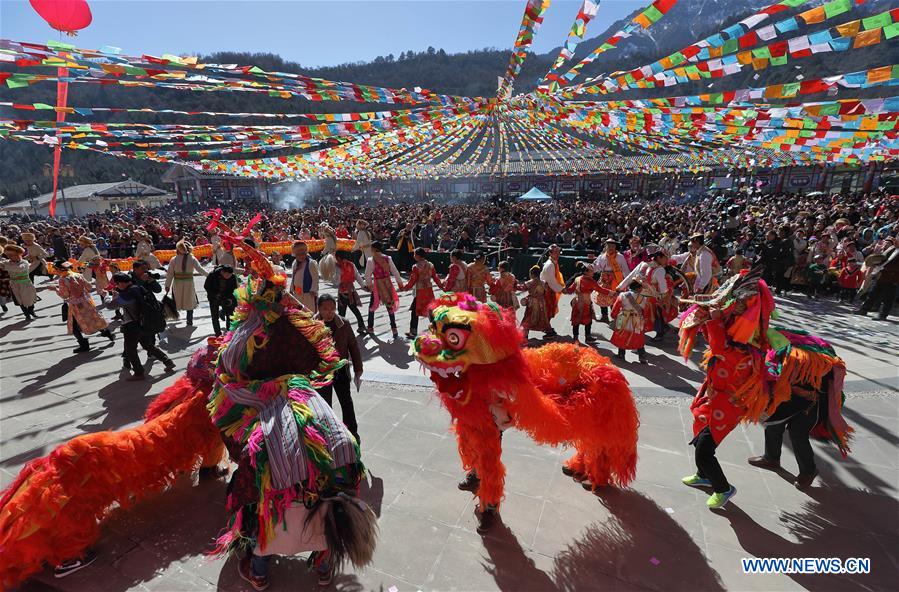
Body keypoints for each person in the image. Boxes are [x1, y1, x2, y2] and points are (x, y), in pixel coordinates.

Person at [314, 294, 363, 444]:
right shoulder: (312, 325)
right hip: (322, 371)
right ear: (319, 309)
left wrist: (358, 367)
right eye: (325, 309)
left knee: (346, 401)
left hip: (340, 369)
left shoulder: (344, 324)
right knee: (324, 404)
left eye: (332, 308)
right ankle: (326, 434)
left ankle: (352, 432)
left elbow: (353, 346)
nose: (329, 312)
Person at [111, 272, 175, 380]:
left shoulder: (127, 294)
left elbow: (111, 305)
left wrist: (110, 297)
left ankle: (139, 372)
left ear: (121, 283)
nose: (117, 286)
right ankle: (168, 361)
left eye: (117, 284)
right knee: (148, 345)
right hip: (144, 323)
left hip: (131, 325)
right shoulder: (139, 288)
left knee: (130, 349)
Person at [53, 261, 115, 353]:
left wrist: (55, 289)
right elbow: (89, 286)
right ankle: (107, 333)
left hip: (75, 305)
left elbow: (65, 295)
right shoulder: (77, 275)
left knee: (73, 326)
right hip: (87, 301)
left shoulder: (63, 280)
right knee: (94, 319)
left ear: (59, 269)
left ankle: (83, 344)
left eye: (55, 269)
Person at [618, 248, 673, 341]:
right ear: (659, 257)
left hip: (638, 295)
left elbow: (631, 276)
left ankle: (636, 335)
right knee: (656, 315)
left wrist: (620, 287)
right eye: (665, 258)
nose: (667, 261)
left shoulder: (643, 264)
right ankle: (659, 333)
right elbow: (663, 287)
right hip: (652, 298)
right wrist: (664, 296)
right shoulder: (660, 270)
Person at [363, 241, 402, 339]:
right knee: (390, 306)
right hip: (387, 284)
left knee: (372, 305)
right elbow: (395, 271)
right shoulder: (388, 258)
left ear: (374, 249)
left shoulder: (371, 260)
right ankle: (394, 329)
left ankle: (370, 327)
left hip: (377, 285)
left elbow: (367, 275)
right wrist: (399, 283)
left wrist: (369, 285)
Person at [401, 248, 443, 339]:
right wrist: (441, 286)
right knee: (431, 311)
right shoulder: (430, 265)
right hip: (428, 291)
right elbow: (435, 277)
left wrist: (405, 288)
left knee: (415, 311)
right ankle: (438, 330)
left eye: (415, 254)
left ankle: (413, 331)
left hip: (420, 292)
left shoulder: (416, 267)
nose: (414, 256)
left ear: (418, 256)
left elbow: (413, 279)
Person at [165, 240, 208, 326]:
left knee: (176, 300)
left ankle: (174, 315)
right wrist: (209, 275)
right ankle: (189, 320)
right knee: (190, 301)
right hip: (189, 283)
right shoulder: (192, 258)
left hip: (177, 283)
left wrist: (167, 285)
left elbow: (170, 274)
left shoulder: (174, 259)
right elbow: (200, 269)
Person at [855, 239, 898, 320]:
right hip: (881, 275)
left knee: (888, 298)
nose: (895, 241)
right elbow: (882, 259)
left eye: (897, 240)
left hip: (893, 278)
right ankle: (864, 309)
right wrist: (876, 263)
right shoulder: (892, 249)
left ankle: (882, 315)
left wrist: (885, 268)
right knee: (872, 293)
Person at [564, 262, 604, 343]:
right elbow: (601, 290)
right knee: (588, 321)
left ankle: (575, 338)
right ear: (586, 272)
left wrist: (562, 289)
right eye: (591, 271)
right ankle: (587, 337)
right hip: (586, 303)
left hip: (577, 302)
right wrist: (611, 293)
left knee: (576, 320)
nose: (593, 272)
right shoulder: (591, 281)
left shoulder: (577, 279)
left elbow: (570, 290)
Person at [610, 281, 648, 363]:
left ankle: (621, 354)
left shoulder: (623, 295)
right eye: (641, 287)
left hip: (623, 316)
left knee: (621, 335)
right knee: (638, 336)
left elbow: (616, 307)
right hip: (637, 318)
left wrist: (613, 315)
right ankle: (642, 356)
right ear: (638, 288)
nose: (642, 289)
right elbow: (644, 310)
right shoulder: (643, 298)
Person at [592, 239, 629, 322]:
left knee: (614, 297)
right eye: (609, 246)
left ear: (615, 247)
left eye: (613, 246)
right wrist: (589, 268)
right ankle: (604, 316)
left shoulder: (620, 257)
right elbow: (596, 267)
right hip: (604, 279)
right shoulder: (602, 256)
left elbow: (625, 269)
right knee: (602, 295)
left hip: (615, 279)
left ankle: (615, 317)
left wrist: (628, 281)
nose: (611, 248)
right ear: (606, 246)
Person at [1, 244, 40, 319]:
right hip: (14, 285)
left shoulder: (24, 262)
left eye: (11, 255)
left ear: (18, 254)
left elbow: (19, 268)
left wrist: (5, 266)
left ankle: (31, 310)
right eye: (8, 255)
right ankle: (26, 314)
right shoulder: (7, 262)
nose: (9, 257)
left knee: (30, 299)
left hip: (26, 284)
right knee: (20, 301)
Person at [335, 250, 367, 334]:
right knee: (355, 310)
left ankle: (341, 329)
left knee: (341, 312)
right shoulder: (351, 264)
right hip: (351, 291)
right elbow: (358, 276)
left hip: (343, 292)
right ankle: (361, 326)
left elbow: (337, 281)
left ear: (338, 257)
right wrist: (363, 286)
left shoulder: (338, 267)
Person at [204, 265, 238, 337]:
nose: (228, 277)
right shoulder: (212, 275)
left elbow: (234, 289)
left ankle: (229, 332)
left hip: (226, 297)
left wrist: (230, 298)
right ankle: (218, 334)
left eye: (230, 275)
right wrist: (215, 295)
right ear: (222, 272)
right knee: (214, 316)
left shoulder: (232, 277)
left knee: (230, 315)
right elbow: (206, 286)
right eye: (227, 275)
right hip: (214, 297)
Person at [520, 265, 552, 338]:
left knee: (528, 317)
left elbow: (522, 288)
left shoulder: (529, 282)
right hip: (542, 302)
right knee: (543, 317)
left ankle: (525, 335)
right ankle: (549, 332)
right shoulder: (543, 282)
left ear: (532, 274)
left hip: (532, 302)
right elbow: (546, 292)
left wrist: (514, 285)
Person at [540, 244, 565, 336]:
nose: (558, 254)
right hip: (548, 290)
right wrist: (561, 289)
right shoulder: (550, 265)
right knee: (548, 309)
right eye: (555, 252)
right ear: (550, 253)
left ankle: (547, 326)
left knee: (549, 309)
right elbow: (551, 280)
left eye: (558, 252)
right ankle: (547, 328)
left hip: (550, 288)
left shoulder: (553, 263)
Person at [290, 241, 320, 313]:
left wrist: (313, 290)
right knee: (300, 312)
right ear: (295, 255)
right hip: (297, 293)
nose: (301, 256)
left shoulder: (311, 263)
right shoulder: (295, 263)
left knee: (309, 311)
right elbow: (293, 276)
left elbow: (315, 278)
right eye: (298, 254)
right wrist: (291, 289)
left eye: (303, 254)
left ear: (306, 253)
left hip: (308, 294)